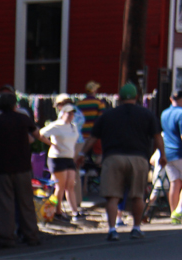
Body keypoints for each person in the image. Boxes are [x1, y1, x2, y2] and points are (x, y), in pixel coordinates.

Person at [78, 83, 165, 241]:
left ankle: (112, 229)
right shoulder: (146, 114)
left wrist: (82, 153)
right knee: (138, 195)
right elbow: (157, 137)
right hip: (138, 158)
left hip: (113, 158)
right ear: (136, 97)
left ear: (118, 98)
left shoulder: (107, 115)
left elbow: (92, 138)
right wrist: (163, 155)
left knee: (112, 197)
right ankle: (136, 228)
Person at [0, 92, 50, 248]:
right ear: (14, 105)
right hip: (23, 167)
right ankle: (31, 235)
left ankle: (6, 238)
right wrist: (50, 143)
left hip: (1, 168)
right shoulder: (23, 119)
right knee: (26, 202)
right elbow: (37, 135)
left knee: (4, 203)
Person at [40, 103, 82, 221]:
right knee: (60, 186)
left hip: (68, 158)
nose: (70, 116)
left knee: (70, 185)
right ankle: (57, 211)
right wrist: (52, 144)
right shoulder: (56, 125)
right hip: (57, 158)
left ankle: (75, 211)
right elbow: (40, 134)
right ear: (62, 114)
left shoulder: (73, 127)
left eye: (72, 113)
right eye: (68, 113)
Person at [159, 90, 182, 222]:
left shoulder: (164, 113)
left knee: (175, 183)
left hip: (167, 153)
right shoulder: (181, 113)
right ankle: (179, 211)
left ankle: (173, 214)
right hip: (179, 152)